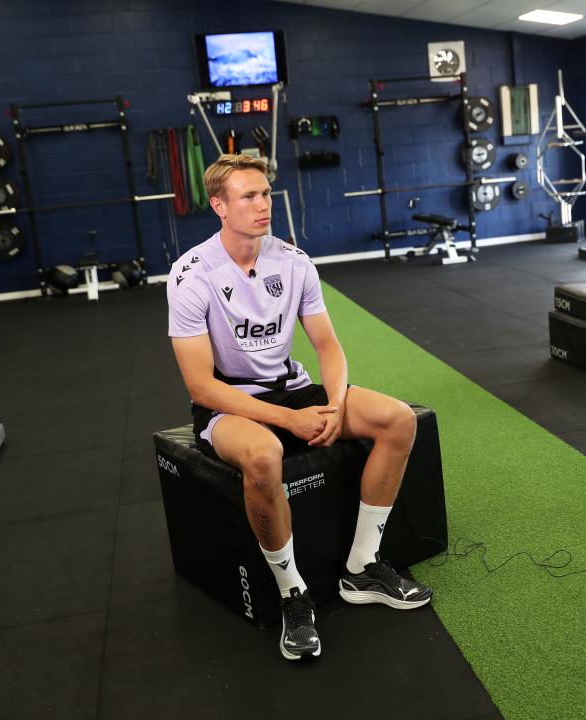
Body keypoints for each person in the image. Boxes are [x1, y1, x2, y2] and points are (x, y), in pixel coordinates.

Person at [166, 154, 433, 661]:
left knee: (397, 419)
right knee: (263, 456)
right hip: (231, 403)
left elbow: (328, 347)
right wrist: (288, 419)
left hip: (295, 388)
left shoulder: (293, 261)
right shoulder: (191, 275)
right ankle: (294, 593)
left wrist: (334, 405)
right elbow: (201, 386)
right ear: (219, 205)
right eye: (248, 196)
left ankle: (361, 568)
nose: (263, 204)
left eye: (266, 193)